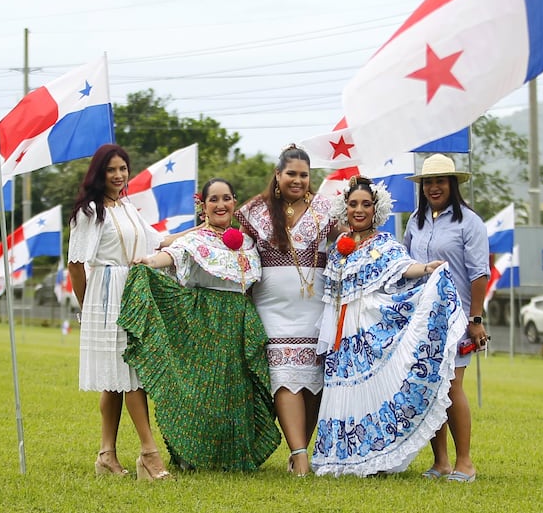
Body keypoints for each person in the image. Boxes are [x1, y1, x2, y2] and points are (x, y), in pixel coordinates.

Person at [120, 177, 280, 471]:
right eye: (214, 199)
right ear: (203, 206)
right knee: (202, 390)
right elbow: (172, 255)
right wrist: (149, 263)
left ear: (234, 202)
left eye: (226, 198)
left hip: (239, 320)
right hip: (203, 318)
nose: (221, 205)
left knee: (236, 391)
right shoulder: (194, 239)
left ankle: (234, 457)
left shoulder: (246, 242)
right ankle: (190, 455)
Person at [311, 175, 464, 477]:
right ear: (346, 208)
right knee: (345, 393)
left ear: (375, 209)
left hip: (370, 328)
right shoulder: (337, 250)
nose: (359, 210)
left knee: (373, 391)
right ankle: (342, 458)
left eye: (366, 204)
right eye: (353, 204)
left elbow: (404, 267)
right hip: (343, 339)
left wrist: (427, 269)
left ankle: (376, 458)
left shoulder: (384, 243)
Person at [67, 144, 172, 480]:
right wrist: (89, 309)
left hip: (133, 290)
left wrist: (201, 233)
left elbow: (158, 242)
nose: (118, 175)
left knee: (115, 379)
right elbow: (76, 264)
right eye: (111, 169)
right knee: (130, 374)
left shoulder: (128, 207)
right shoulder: (89, 212)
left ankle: (106, 455)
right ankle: (148, 453)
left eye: (123, 169)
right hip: (106, 294)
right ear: (99, 172)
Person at [236, 145, 338, 476]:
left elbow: (352, 240)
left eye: (304, 175)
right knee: (284, 378)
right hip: (272, 310)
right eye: (291, 174)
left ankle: (300, 452)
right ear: (277, 175)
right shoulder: (253, 211)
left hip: (316, 309)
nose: (297, 180)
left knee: (312, 382)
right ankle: (300, 454)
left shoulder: (327, 210)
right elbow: (228, 242)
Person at [403, 153, 490, 483]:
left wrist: (476, 318)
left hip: (456, 317)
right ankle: (440, 462)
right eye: (428, 182)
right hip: (420, 318)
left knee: (453, 387)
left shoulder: (470, 222)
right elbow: (406, 266)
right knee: (429, 388)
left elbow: (479, 273)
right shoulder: (416, 221)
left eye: (440, 181)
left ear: (453, 184)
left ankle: (464, 462)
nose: (433, 187)